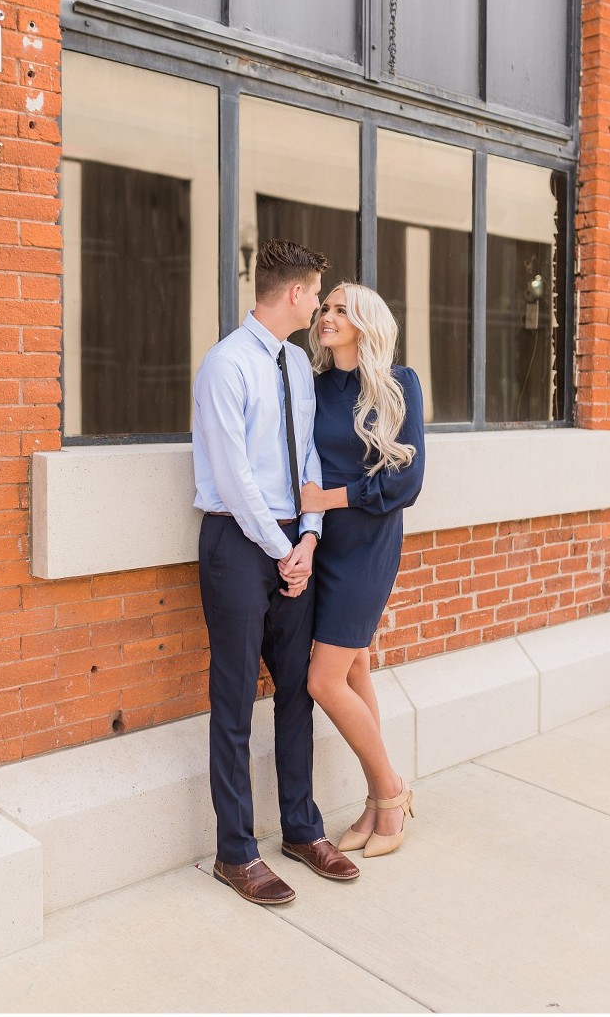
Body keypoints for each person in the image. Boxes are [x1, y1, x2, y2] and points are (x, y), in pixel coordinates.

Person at [192, 240, 360, 906]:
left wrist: (310, 536)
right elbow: (233, 477)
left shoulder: (297, 364)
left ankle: (301, 828)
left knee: (297, 691)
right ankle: (235, 852)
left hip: (296, 545)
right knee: (233, 702)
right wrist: (278, 545)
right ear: (295, 294)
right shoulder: (225, 365)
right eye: (316, 293)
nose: (319, 303)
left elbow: (311, 453)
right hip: (237, 546)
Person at [300, 282, 425, 858]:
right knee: (354, 673)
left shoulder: (400, 385)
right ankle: (378, 806)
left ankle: (390, 792)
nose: (328, 316)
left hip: (369, 547)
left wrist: (330, 499)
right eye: (325, 308)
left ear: (365, 322)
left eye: (341, 309)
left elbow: (406, 482)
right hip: (323, 547)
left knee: (322, 679)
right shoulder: (315, 385)